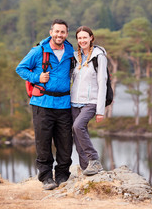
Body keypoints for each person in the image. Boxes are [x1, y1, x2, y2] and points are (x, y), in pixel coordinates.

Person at [16, 19, 74, 190]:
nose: (59, 35)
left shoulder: (71, 51)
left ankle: (63, 175)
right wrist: (37, 78)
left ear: (66, 34)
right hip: (42, 103)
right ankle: (46, 178)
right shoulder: (38, 51)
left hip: (64, 104)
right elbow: (21, 68)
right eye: (56, 31)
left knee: (65, 142)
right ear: (51, 33)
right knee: (43, 142)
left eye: (62, 32)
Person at [70, 26, 106, 176]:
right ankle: (88, 171)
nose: (82, 40)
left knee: (78, 126)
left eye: (85, 37)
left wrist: (100, 110)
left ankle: (94, 160)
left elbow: (102, 82)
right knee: (77, 137)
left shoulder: (99, 56)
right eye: (79, 38)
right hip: (74, 102)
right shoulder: (75, 57)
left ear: (91, 37)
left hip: (91, 101)